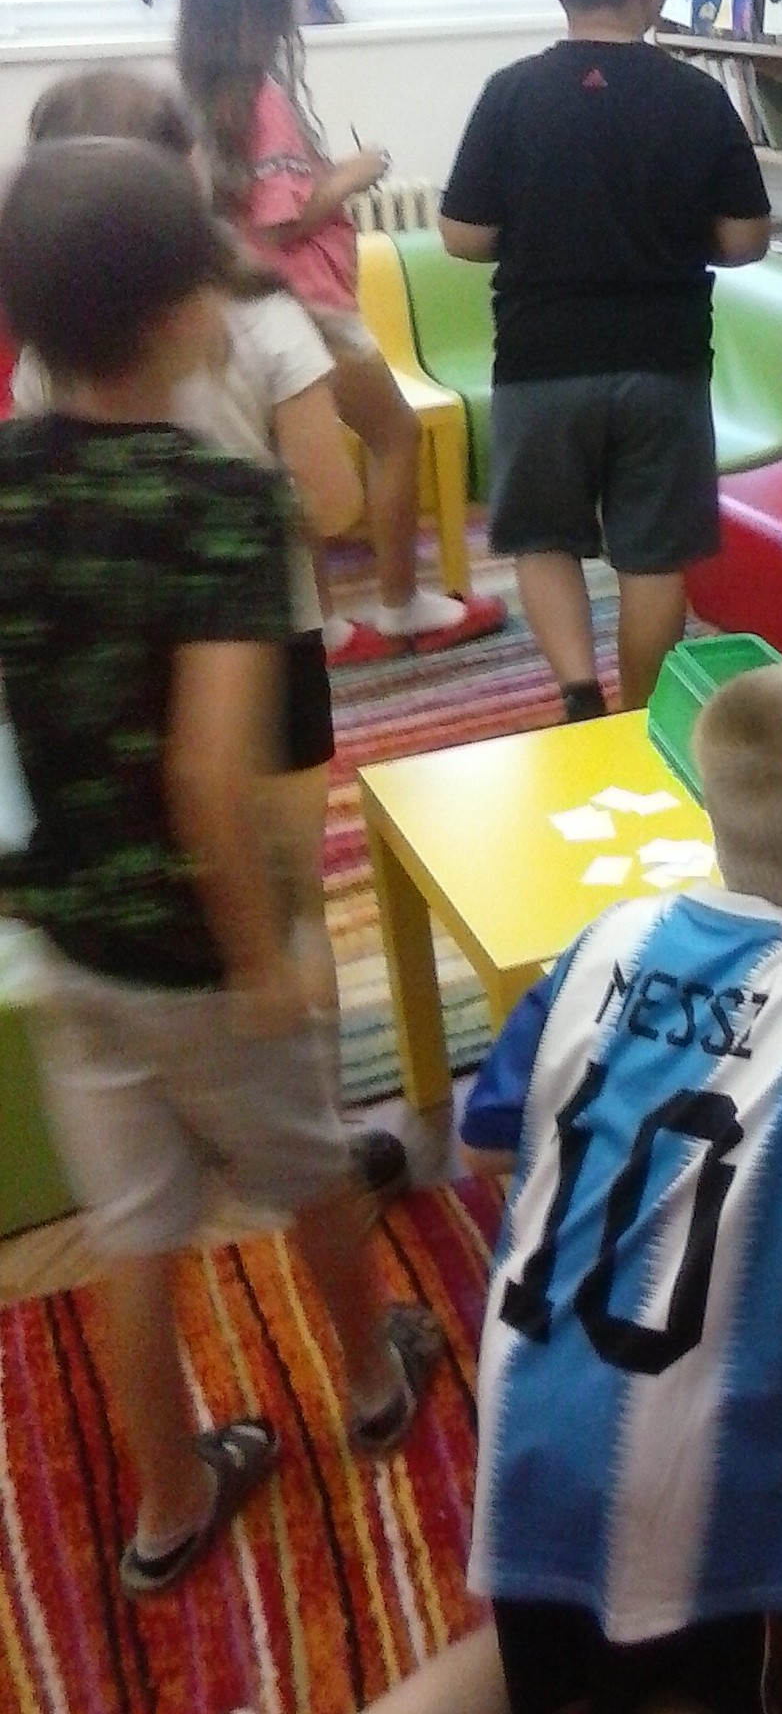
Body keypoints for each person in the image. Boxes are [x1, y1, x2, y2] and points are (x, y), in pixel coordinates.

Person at [0, 139, 444, 1597]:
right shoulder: (217, 504)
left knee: (134, 1227)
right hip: (200, 949)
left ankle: (168, 1504)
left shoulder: (7, 477)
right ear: (181, 312)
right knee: (311, 1170)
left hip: (68, 934)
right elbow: (207, 771)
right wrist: (261, 954)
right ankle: (374, 1383)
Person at [434, 656, 782, 1713]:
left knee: (543, 1677)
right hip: (686, 1456)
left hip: (526, 1394)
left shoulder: (607, 934)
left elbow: (482, 1144)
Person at [10, 66, 411, 1204]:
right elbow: (330, 499)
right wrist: (215, 523)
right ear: (184, 178)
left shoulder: (49, 356)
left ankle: (200, 1120)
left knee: (156, 894)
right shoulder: (265, 318)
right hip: (263, 651)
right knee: (287, 908)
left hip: (102, 675)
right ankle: (309, 1125)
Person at [439, 0, 773, 720]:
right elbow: (746, 238)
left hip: (540, 361)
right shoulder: (697, 97)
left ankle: (579, 695)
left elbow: (462, 235)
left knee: (543, 537)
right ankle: (640, 715)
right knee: (653, 556)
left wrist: (541, 234)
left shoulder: (510, 93)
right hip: (663, 364)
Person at [177, 0, 506, 666]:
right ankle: (400, 604)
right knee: (393, 435)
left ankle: (320, 621)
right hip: (309, 308)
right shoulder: (258, 97)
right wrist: (354, 174)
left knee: (287, 465)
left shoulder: (206, 90)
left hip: (257, 304)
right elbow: (281, 220)